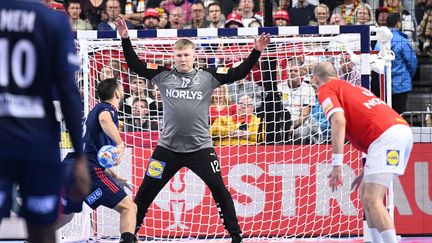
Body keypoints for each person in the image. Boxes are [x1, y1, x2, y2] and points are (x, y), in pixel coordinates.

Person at [115, 17, 270, 243]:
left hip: (201, 149)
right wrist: (125, 38)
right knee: (145, 193)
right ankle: (130, 236)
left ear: (194, 56)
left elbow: (239, 73)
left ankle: (236, 236)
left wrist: (256, 52)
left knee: (221, 191)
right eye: (178, 55)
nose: (182, 59)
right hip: (167, 150)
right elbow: (135, 65)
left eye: (186, 55)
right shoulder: (163, 75)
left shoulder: (208, 76)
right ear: (173, 57)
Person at [0, 1, 90, 243]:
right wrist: (80, 155)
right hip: (38, 142)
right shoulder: (52, 20)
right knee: (42, 230)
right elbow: (69, 92)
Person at [312, 62, 413, 243]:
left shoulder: (325, 89)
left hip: (386, 137)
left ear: (314, 80)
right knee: (366, 194)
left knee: (372, 198)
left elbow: (338, 121)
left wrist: (337, 164)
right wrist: (367, 169)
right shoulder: (352, 87)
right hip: (397, 131)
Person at [55, 78, 137, 243]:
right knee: (129, 207)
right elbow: (105, 119)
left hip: (69, 167)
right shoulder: (107, 109)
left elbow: (91, 151)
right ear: (117, 93)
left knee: (66, 217)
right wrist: (120, 143)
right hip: (87, 170)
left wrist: (112, 174)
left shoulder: (94, 111)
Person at [375, 13, 418, 114]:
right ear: (398, 24)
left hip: (383, 85)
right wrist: (407, 77)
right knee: (400, 115)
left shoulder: (379, 41)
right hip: (401, 85)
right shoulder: (403, 41)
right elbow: (412, 63)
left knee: (387, 116)